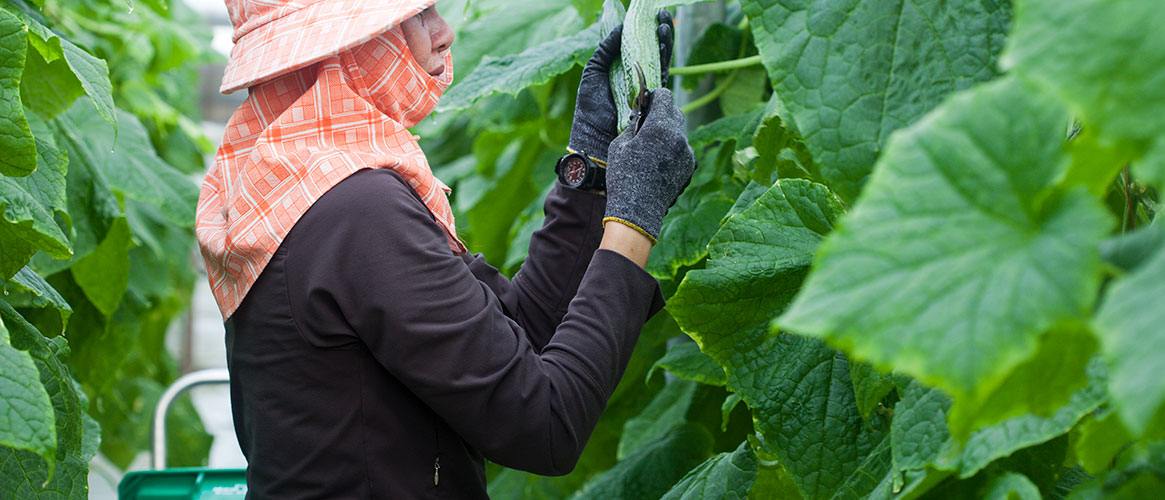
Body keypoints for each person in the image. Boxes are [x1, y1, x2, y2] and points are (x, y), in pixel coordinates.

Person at [194, 0, 696, 498]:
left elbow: (519, 336)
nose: (443, 32)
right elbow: (544, 425)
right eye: (415, 14)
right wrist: (632, 223)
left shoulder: (300, 185)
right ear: (343, 47)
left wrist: (590, 164)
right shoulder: (355, 210)